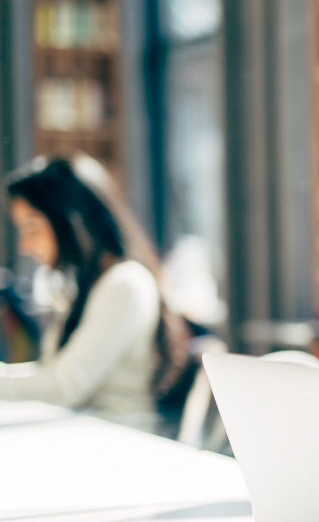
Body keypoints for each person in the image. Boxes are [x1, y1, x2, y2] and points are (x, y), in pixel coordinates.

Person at [1, 154, 188, 431]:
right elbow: (54, 374)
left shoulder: (125, 284)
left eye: (32, 228)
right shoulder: (89, 285)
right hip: (85, 434)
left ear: (71, 220)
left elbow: (66, 386)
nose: (24, 246)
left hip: (118, 441)